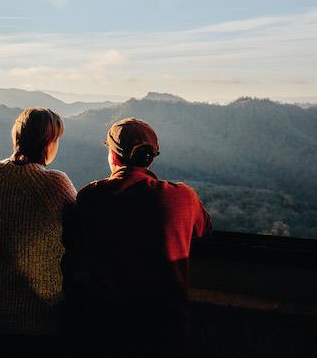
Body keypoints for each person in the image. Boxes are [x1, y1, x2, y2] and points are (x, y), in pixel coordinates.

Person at [68, 117, 211, 358]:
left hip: (106, 326)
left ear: (113, 156)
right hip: (166, 328)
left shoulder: (91, 196)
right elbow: (204, 229)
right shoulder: (183, 197)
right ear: (151, 156)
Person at [0, 107, 77, 358]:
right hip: (38, 319)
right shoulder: (54, 182)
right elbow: (82, 223)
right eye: (56, 139)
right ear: (48, 142)